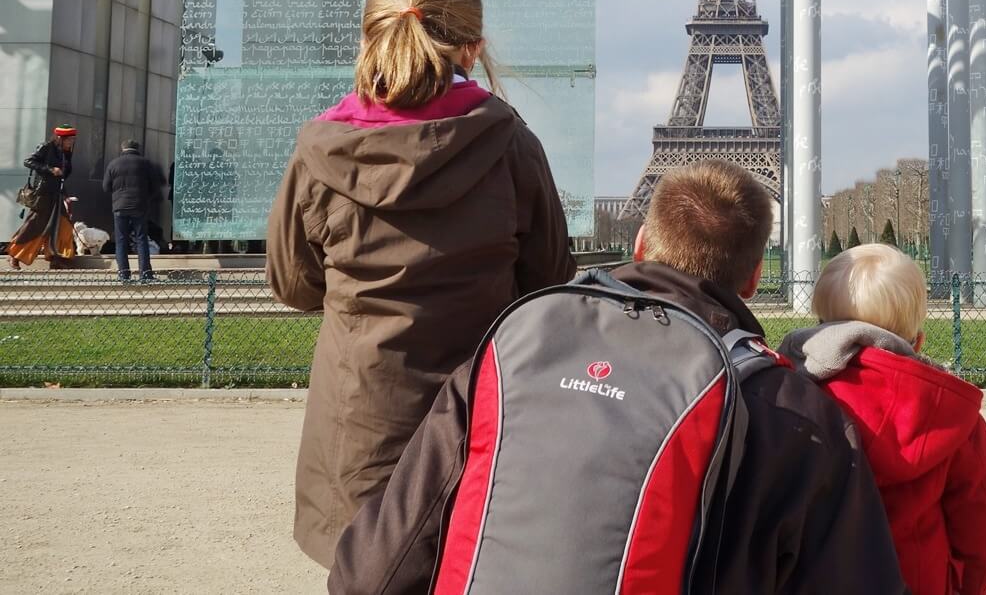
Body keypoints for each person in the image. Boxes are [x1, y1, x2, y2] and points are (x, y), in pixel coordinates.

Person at [329, 160, 906, 594]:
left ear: (640, 244)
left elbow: (373, 570)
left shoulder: (513, 354)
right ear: (753, 278)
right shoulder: (793, 413)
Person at [268, 0, 575, 569]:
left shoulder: (319, 148)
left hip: (359, 421)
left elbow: (294, 285)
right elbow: (549, 279)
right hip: (473, 418)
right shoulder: (509, 141)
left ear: (370, 35)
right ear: (473, 47)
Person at [779, 244, 986, 595]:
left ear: (821, 329)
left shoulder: (789, 395)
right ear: (917, 341)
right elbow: (985, 524)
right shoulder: (947, 410)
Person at [8, 124, 78, 269]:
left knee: (63, 225)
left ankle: (56, 258)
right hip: (44, 194)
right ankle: (15, 255)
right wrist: (50, 169)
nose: (71, 142)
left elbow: (63, 177)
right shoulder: (46, 147)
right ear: (60, 138)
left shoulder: (66, 152)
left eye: (72, 139)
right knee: (34, 226)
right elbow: (28, 162)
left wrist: (64, 193)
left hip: (57, 194)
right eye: (69, 139)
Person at [102, 139, 165, 283]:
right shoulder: (146, 164)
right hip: (140, 206)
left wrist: (118, 196)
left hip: (119, 207)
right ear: (138, 149)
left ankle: (124, 275)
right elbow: (155, 187)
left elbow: (106, 187)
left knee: (121, 241)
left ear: (122, 148)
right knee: (141, 239)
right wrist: (145, 198)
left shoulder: (113, 164)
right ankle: (146, 275)